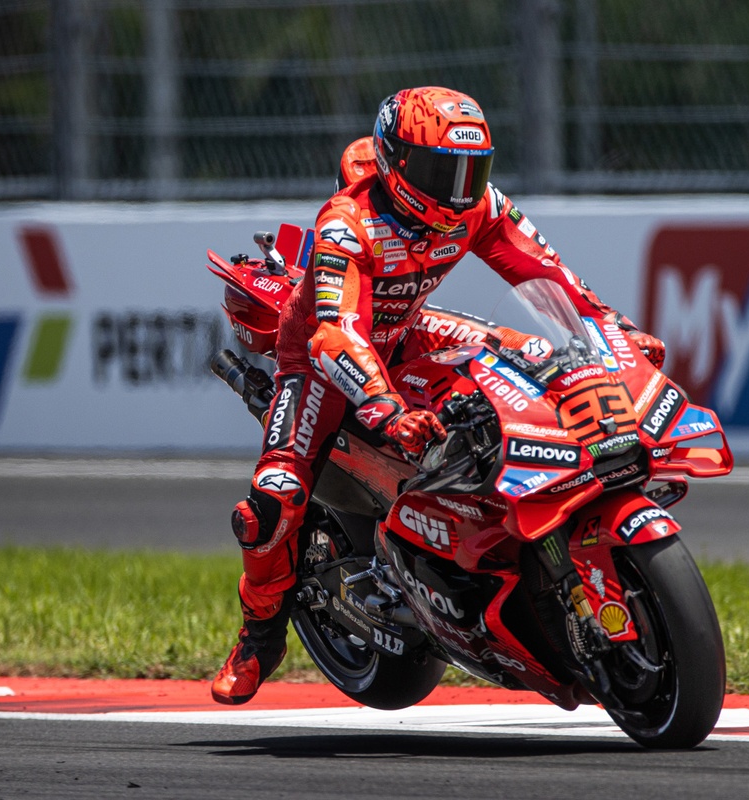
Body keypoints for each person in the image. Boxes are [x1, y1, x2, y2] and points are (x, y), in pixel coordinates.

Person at [212, 86, 666, 705]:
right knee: (274, 498)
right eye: (439, 171)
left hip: (406, 333)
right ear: (395, 161)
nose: (457, 191)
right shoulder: (347, 225)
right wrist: (384, 407)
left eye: (471, 171)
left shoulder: (481, 206)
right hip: (319, 362)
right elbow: (335, 333)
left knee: (538, 354)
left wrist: (616, 331)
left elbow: (549, 274)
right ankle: (258, 637)